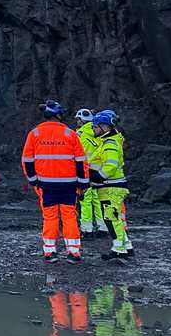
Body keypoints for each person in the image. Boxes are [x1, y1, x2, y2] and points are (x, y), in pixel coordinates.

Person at [22, 100, 88, 263]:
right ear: (59, 115)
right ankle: (73, 252)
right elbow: (81, 161)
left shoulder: (35, 134)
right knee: (69, 217)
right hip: (69, 184)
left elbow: (27, 161)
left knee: (50, 217)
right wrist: (83, 183)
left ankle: (50, 252)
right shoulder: (70, 134)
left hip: (46, 184)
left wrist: (33, 181)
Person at [89, 110, 132, 262]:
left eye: (95, 127)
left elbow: (111, 166)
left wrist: (97, 176)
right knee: (115, 218)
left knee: (111, 219)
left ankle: (118, 249)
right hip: (111, 187)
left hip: (110, 187)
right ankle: (126, 245)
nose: (93, 129)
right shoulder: (110, 142)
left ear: (105, 127)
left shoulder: (109, 144)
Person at [73, 108, 106, 235]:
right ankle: (102, 227)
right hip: (100, 171)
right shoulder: (99, 132)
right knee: (98, 200)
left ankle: (87, 228)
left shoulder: (79, 134)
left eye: (78, 119)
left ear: (82, 120)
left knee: (85, 200)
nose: (77, 122)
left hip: (85, 171)